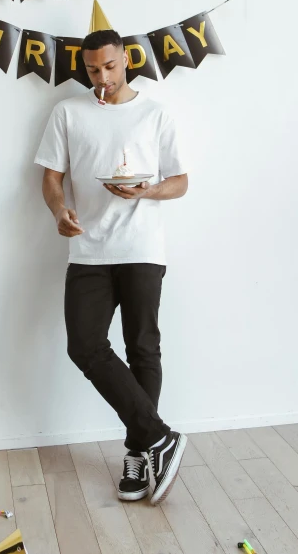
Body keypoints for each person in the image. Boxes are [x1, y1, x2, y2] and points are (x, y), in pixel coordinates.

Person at [34, 29, 189, 505]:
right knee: (84, 345)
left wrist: (147, 191)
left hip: (142, 245)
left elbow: (180, 181)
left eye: (110, 67)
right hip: (89, 250)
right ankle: (160, 435)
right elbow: (51, 178)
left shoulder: (154, 112)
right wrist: (60, 212)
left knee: (143, 347)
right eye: (93, 70)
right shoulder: (67, 112)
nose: (102, 77)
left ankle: (139, 452)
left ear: (126, 59)